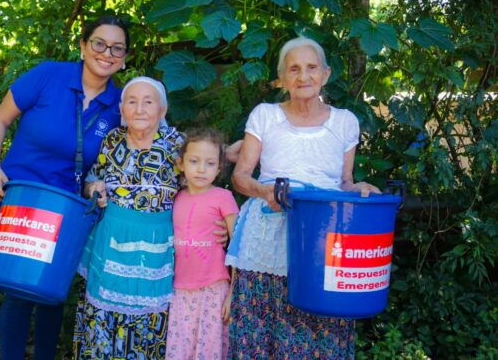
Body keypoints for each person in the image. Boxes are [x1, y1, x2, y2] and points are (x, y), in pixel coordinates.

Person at [225, 36, 381, 359]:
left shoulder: (344, 122)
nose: (303, 76)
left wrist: (361, 188)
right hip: (268, 237)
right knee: (262, 330)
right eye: (293, 69)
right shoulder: (265, 116)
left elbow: (344, 182)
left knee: (322, 329)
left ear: (325, 74)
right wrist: (263, 189)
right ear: (281, 79)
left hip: (323, 241)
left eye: (311, 68)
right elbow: (240, 177)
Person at [0, 16, 130, 359]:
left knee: (53, 290)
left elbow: (126, 151)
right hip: (16, 198)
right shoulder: (49, 74)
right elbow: (0, 119)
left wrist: (94, 182)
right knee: (18, 289)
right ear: (83, 46)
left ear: (124, 57)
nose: (107, 53)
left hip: (66, 209)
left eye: (117, 48)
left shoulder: (121, 103)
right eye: (99, 43)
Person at [73, 76, 184, 359]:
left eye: (149, 102)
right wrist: (93, 187)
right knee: (102, 315)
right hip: (111, 239)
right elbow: (92, 178)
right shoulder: (112, 140)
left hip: (155, 245)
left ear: (162, 110)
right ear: (122, 110)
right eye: (132, 102)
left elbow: (199, 187)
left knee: (150, 319)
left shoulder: (177, 145)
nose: (140, 109)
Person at [166, 128, 239, 360]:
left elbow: (238, 248)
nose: (201, 169)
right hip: (179, 291)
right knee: (179, 351)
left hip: (213, 289)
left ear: (219, 168)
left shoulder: (223, 198)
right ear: (181, 163)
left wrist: (232, 295)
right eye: (194, 161)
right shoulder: (175, 197)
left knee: (208, 351)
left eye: (209, 163)